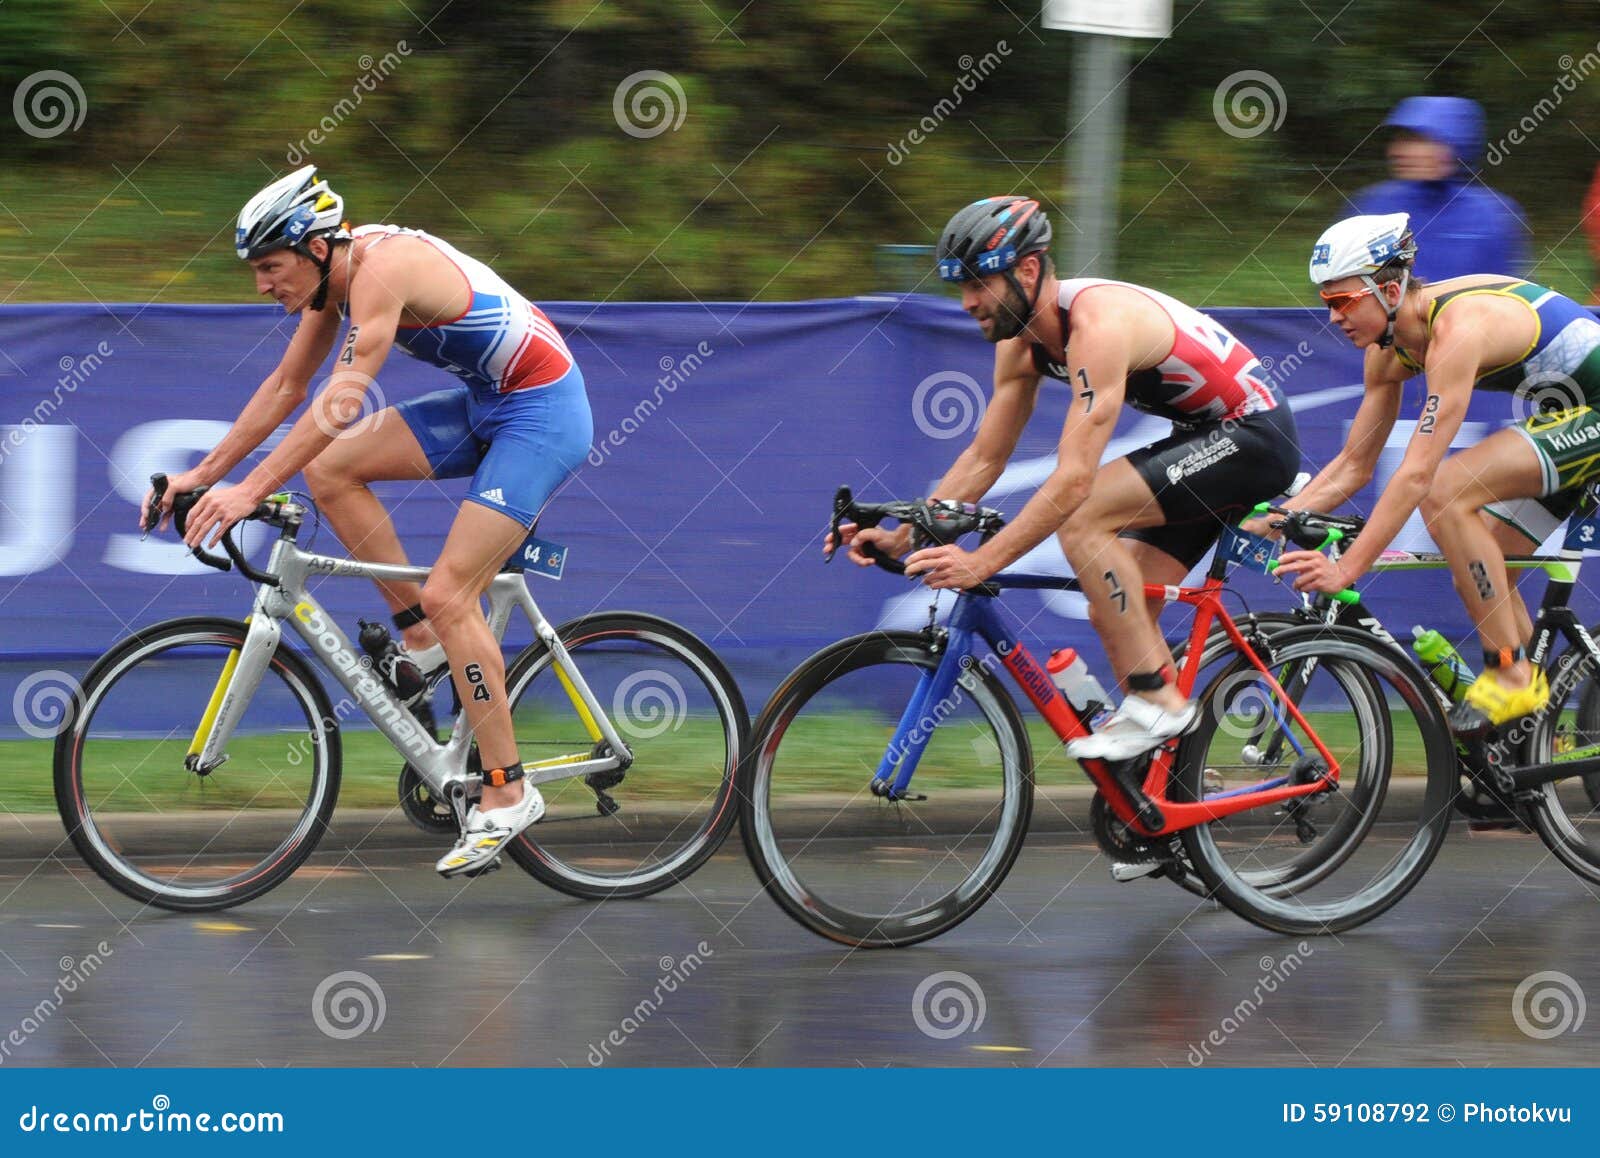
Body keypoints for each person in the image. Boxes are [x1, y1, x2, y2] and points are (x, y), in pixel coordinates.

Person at [143, 165, 594, 876]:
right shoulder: (334, 279)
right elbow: (290, 385)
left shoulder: (382, 270)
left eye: (269, 265)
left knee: (454, 593)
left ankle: (508, 793)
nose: (262, 284)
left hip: (541, 412)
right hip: (487, 403)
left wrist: (249, 489)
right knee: (331, 470)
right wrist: (204, 475)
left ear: (316, 248)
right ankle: (420, 637)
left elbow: (338, 402)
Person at [833, 195, 1300, 761]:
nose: (968, 302)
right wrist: (909, 536)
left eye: (979, 283)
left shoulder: (1098, 324)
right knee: (1118, 606)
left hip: (1252, 435)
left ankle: (1163, 706)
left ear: (1028, 270)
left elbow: (1075, 482)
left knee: (1084, 514)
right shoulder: (1019, 341)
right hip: (1202, 439)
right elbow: (985, 457)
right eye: (961, 286)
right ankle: (1164, 794)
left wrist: (982, 562)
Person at [1271, 211, 1600, 730]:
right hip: (1570, 414)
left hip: (1591, 411)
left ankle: (1509, 676)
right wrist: (1276, 517)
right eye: (1325, 302)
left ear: (1389, 287)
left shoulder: (1456, 329)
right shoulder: (1387, 353)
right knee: (1488, 556)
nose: (1333, 317)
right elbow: (1354, 466)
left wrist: (1348, 569)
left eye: (1342, 301)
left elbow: (1419, 476)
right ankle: (1524, 735)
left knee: (1449, 492)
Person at [1352, 96, 1528, 282]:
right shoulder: (1372, 207)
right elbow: (1342, 292)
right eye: (1400, 140)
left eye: (1420, 141)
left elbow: (1510, 298)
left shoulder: (1494, 215)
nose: (1399, 152)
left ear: (1458, 144)